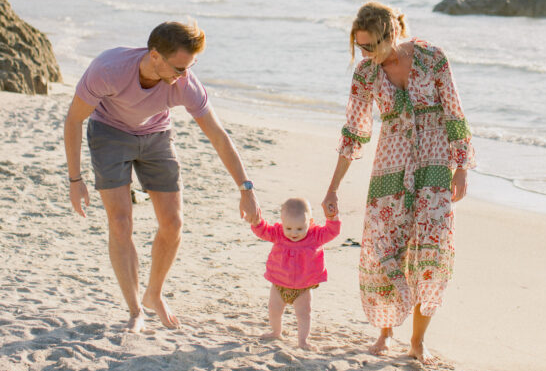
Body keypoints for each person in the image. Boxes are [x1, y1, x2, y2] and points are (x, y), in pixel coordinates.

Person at [64, 20, 259, 333]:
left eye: (190, 67)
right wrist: (76, 180)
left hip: (156, 134)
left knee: (173, 223)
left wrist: (245, 188)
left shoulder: (185, 83)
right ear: (154, 55)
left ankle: (153, 294)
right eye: (179, 67)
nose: (184, 75)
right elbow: (73, 120)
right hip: (109, 132)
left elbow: (218, 135)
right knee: (120, 222)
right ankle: (135, 310)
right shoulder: (108, 69)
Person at [322, 0, 475, 364]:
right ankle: (386, 331)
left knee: (431, 250)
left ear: (391, 34)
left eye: (370, 45)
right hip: (390, 168)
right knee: (385, 249)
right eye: (359, 46)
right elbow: (354, 132)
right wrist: (333, 187)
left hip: (434, 165)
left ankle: (418, 341)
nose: (365, 53)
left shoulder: (432, 58)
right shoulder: (366, 74)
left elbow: (454, 113)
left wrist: (462, 167)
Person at [251, 196, 341, 349]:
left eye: (300, 229)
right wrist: (256, 222)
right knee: (274, 310)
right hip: (279, 284)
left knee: (304, 314)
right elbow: (263, 231)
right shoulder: (278, 233)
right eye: (289, 228)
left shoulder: (315, 236)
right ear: (282, 223)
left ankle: (302, 341)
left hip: (303, 287)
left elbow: (332, 231)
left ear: (310, 223)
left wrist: (333, 218)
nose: (293, 233)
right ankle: (276, 332)